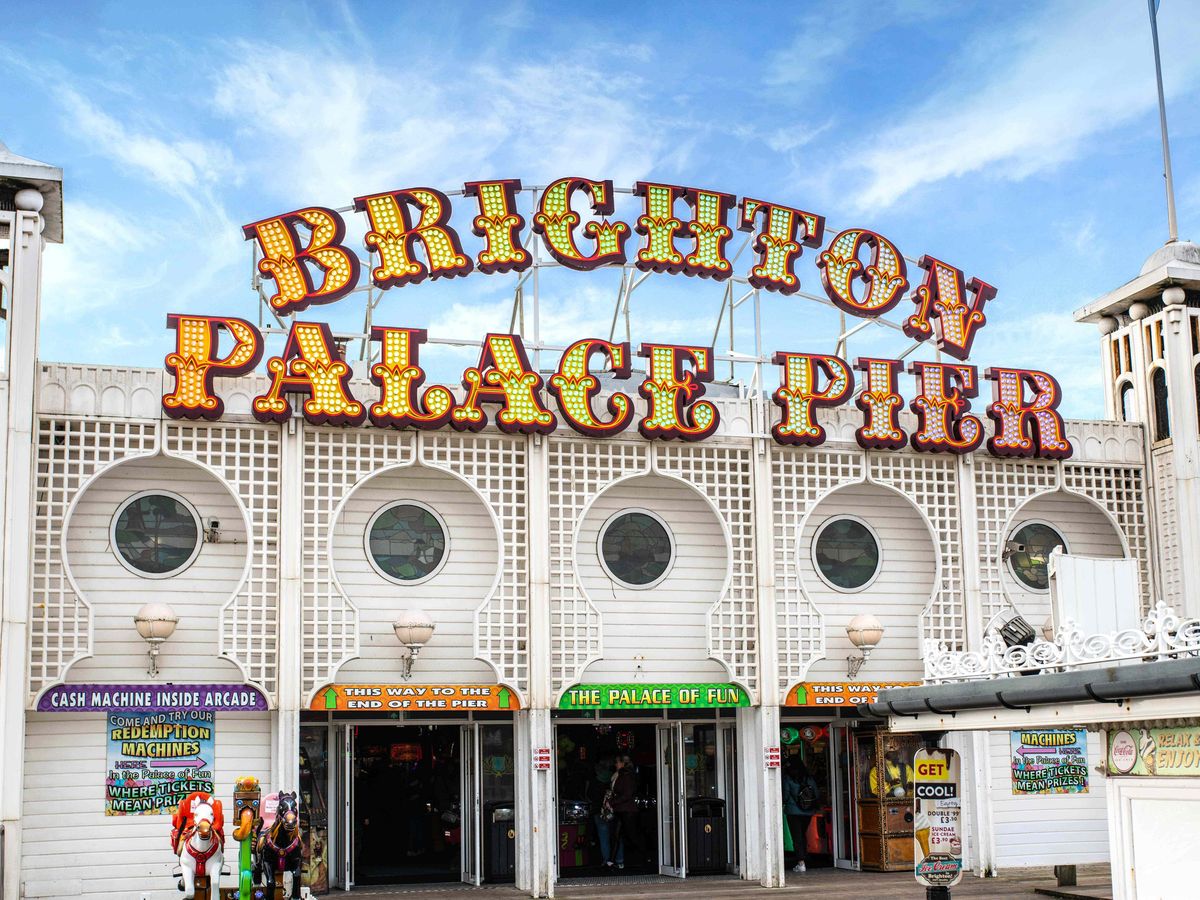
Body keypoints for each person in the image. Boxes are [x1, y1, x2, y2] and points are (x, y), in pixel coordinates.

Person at [608, 755, 648, 870]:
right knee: (615, 835)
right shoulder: (620, 775)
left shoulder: (627, 776)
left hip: (627, 810)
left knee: (632, 836)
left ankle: (644, 856)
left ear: (622, 764)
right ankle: (611, 861)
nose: (615, 764)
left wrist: (613, 801)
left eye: (617, 762)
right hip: (620, 809)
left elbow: (627, 794)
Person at [782, 759, 820, 873]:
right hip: (807, 812)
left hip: (793, 812)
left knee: (796, 837)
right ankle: (804, 856)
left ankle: (801, 862)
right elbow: (816, 794)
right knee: (802, 834)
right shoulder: (809, 778)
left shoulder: (788, 778)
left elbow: (785, 795)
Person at [587, 758, 623, 869]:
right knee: (617, 836)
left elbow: (589, 795)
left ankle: (607, 860)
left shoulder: (594, 781)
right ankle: (619, 859)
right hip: (613, 811)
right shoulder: (614, 778)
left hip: (598, 811)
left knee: (604, 837)